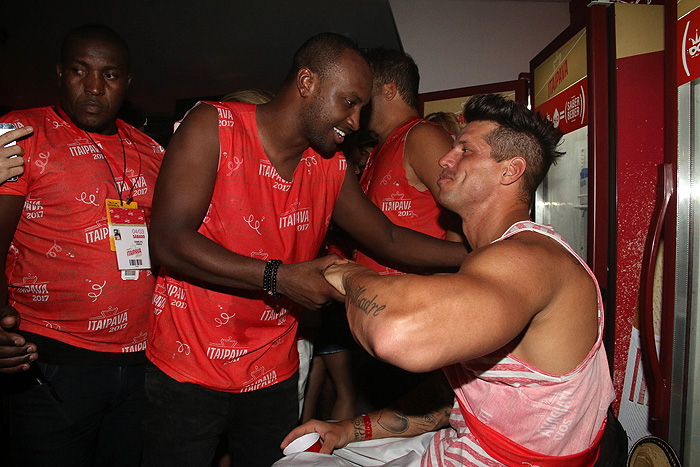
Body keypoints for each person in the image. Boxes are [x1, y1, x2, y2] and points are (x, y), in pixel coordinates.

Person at [142, 32, 467, 467]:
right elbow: (167, 240)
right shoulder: (213, 126)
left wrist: (474, 256)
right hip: (189, 367)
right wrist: (279, 277)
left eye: (362, 108)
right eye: (348, 102)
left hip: (272, 371)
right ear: (307, 82)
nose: (355, 122)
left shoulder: (329, 165)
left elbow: (386, 237)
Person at [279, 93, 618, 466]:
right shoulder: (491, 258)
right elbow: (454, 396)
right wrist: (348, 429)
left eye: (465, 150)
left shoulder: (527, 259)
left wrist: (343, 271)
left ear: (510, 171)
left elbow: (395, 334)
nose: (445, 157)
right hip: (458, 447)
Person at [0, 24, 163, 467]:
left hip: (141, 363)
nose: (94, 86)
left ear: (126, 83)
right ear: (59, 73)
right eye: (79, 70)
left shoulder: (151, 150)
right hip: (53, 362)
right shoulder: (21, 133)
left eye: (109, 75)